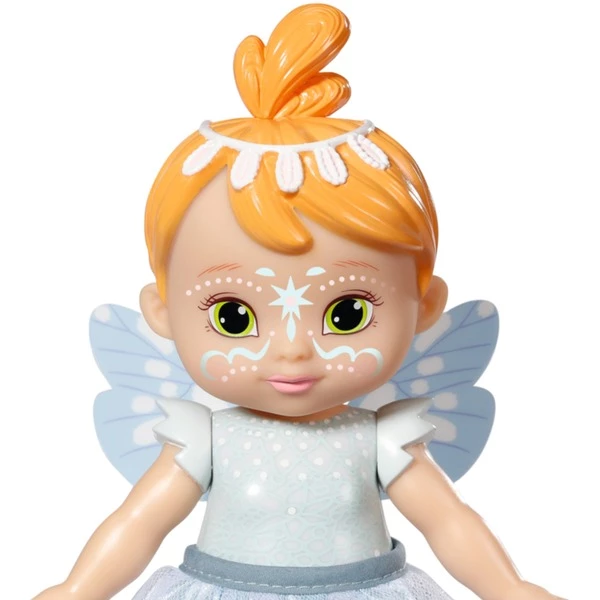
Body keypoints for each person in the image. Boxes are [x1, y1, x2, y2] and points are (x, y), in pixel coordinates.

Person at [33, 4, 564, 599]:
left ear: (423, 306)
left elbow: (449, 522)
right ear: (164, 313)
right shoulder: (206, 438)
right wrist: (77, 589)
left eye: (347, 314)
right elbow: (139, 523)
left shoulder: (384, 439)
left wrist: (510, 587)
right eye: (234, 317)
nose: (291, 350)